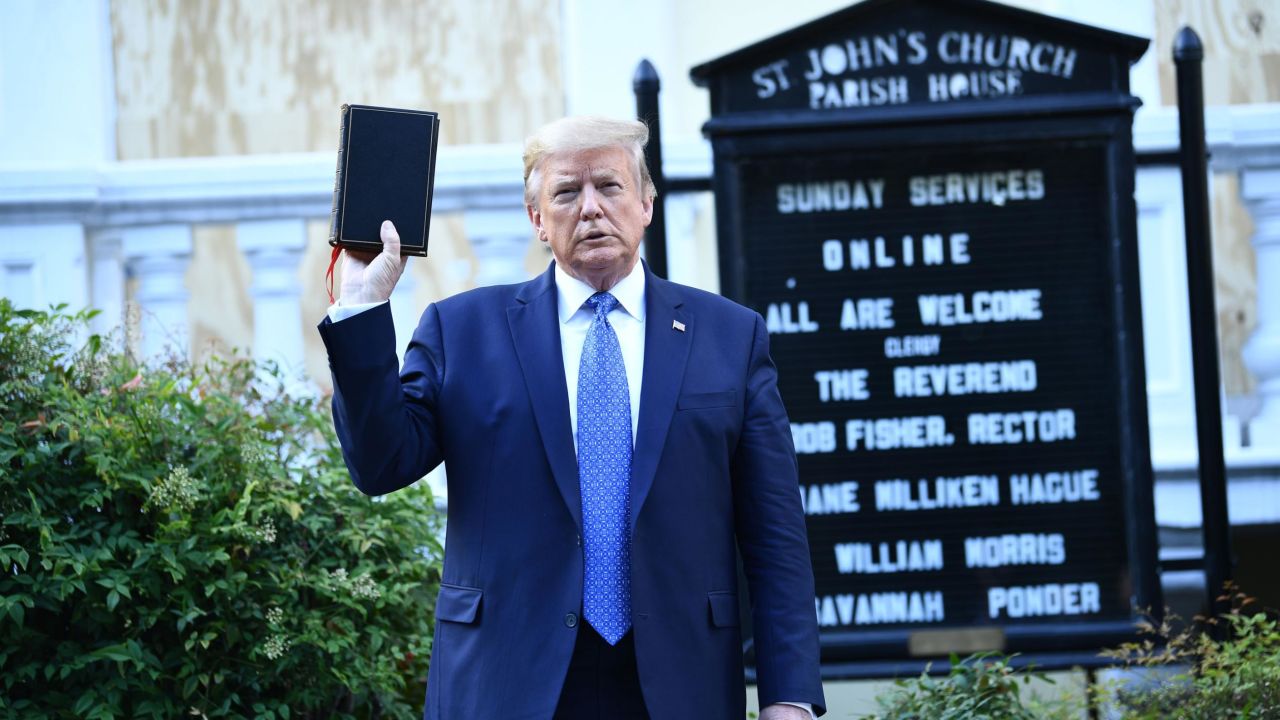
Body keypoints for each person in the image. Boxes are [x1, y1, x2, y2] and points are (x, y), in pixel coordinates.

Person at [317, 116, 825, 719]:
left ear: (646, 204)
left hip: (678, 684)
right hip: (506, 682)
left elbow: (776, 537)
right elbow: (380, 463)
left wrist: (789, 697)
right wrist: (361, 307)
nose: (590, 209)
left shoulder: (730, 337)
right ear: (536, 219)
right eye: (566, 192)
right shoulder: (463, 331)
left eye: (609, 186)